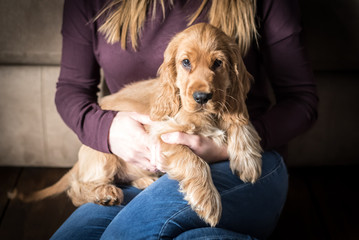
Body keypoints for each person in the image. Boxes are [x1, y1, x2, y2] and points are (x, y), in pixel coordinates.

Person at [51, 0, 318, 239]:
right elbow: (70, 91)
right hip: (146, 171)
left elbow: (302, 100)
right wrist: (108, 131)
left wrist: (232, 143)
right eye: (187, 63)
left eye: (217, 63)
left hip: (245, 159)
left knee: (129, 232)